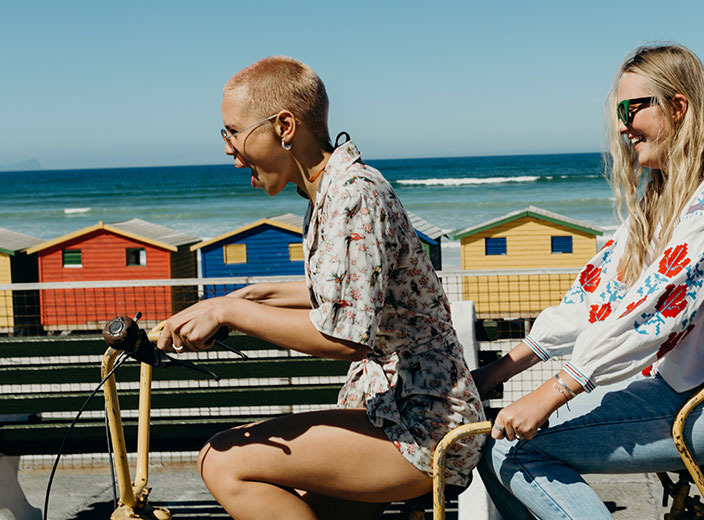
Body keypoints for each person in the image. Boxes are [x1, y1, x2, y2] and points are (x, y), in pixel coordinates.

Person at [471, 43, 704, 519]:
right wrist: (499, 372)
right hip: (667, 387)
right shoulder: (663, 195)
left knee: (510, 448)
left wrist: (555, 390)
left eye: (631, 109)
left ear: (678, 107)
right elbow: (598, 297)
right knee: (493, 438)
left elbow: (655, 308)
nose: (623, 126)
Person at [155, 56, 484, 520]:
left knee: (223, 460)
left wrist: (231, 314)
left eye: (232, 132)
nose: (230, 152)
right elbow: (339, 290)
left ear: (284, 126)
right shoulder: (329, 192)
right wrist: (240, 298)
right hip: (394, 406)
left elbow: (345, 335)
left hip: (423, 424)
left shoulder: (352, 195)